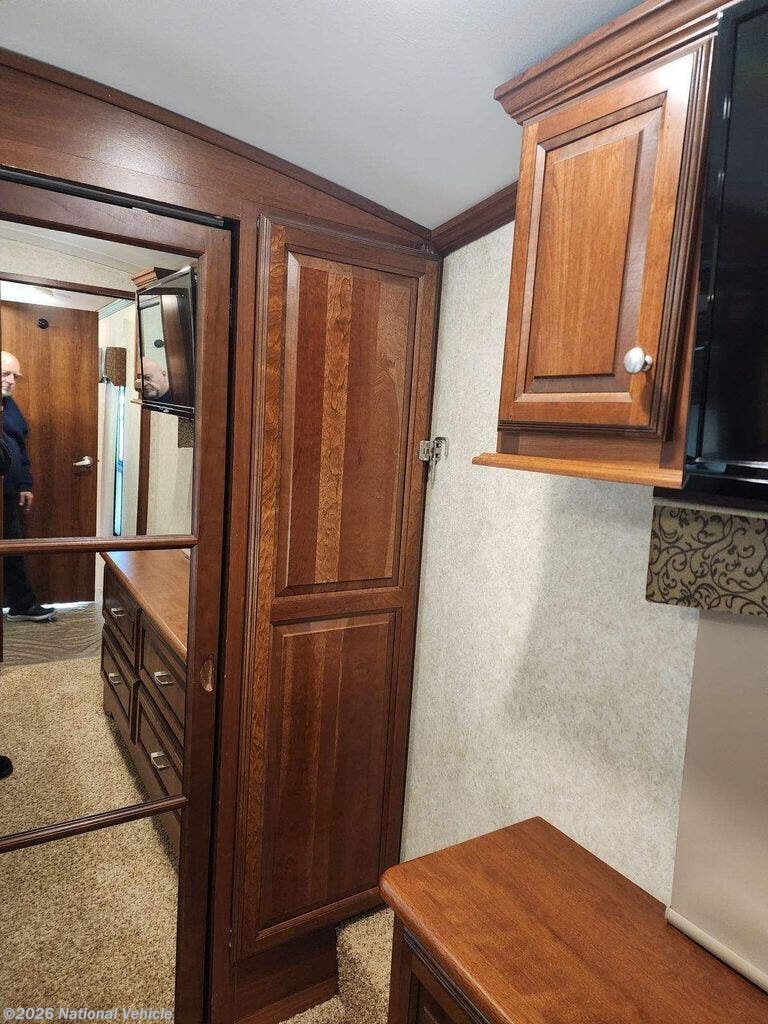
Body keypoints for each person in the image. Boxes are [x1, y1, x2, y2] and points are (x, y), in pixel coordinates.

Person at [1, 350, 56, 622]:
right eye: (5, 374)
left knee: (14, 550)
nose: (11, 380)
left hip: (8, 495)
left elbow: (20, 448)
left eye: (15, 376)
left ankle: (21, 605)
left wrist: (25, 483)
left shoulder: (9, 405)